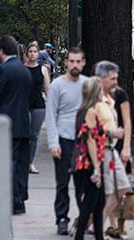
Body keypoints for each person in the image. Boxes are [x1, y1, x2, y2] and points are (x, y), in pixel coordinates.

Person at [45, 45, 87, 235]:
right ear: (66, 62)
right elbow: (51, 115)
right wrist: (53, 143)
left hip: (84, 141)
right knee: (62, 182)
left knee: (82, 184)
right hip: (63, 139)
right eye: (72, 61)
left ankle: (85, 219)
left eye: (78, 61)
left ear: (84, 63)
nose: (75, 65)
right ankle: (62, 218)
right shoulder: (57, 85)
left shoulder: (88, 85)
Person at [0, 34, 33, 215]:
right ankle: (20, 199)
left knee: (9, 163)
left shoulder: (3, 70)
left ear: (0, 51)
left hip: (7, 125)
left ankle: (12, 200)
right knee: (22, 164)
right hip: (24, 124)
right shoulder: (24, 70)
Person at [94, 61, 130, 239]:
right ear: (101, 79)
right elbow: (91, 127)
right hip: (101, 148)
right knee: (111, 189)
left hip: (112, 147)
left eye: (117, 78)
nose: (116, 81)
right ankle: (102, 225)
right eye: (112, 78)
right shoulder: (94, 97)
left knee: (119, 188)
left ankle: (102, 224)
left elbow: (126, 122)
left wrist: (126, 145)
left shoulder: (116, 95)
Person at [72, 77, 107, 240]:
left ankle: (99, 236)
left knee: (98, 205)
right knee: (88, 208)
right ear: (94, 92)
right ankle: (79, 236)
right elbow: (90, 140)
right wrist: (97, 168)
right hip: (90, 164)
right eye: (100, 89)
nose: (103, 92)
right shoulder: (91, 112)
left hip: (85, 164)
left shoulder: (82, 111)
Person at [26, 40, 51, 174]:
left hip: (39, 106)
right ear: (27, 54)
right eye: (30, 51)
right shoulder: (22, 69)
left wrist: (52, 105)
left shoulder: (43, 70)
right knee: (26, 135)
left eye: (35, 51)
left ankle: (31, 163)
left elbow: (47, 89)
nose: (33, 54)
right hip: (25, 106)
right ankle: (24, 161)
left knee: (35, 135)